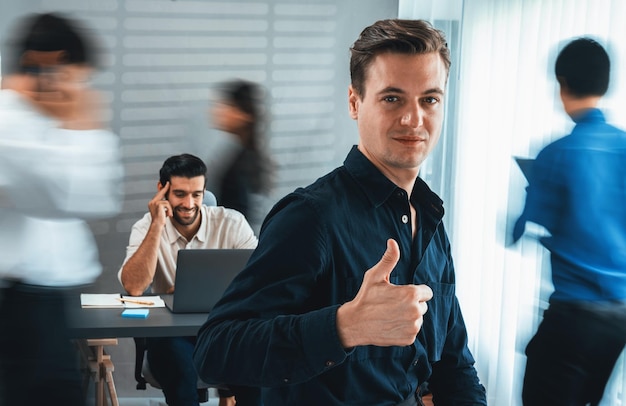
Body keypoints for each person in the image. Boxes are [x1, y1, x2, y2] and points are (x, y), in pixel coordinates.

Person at [193, 19, 487, 406]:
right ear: (354, 102)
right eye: (392, 98)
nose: (414, 119)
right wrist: (346, 326)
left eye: (429, 99)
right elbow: (216, 350)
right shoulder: (311, 216)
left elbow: (455, 365)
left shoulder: (430, 220)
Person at [0, 12, 124, 406]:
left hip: (48, 304)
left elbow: (101, 195)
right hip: (20, 304)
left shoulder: (46, 121)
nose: (84, 88)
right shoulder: (10, 117)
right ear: (49, 62)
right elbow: (68, 196)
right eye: (79, 74)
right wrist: (82, 122)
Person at [512, 37, 626, 405]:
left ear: (562, 84)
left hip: (574, 317)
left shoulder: (555, 155)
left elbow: (520, 228)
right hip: (619, 319)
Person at [118, 153, 258, 406]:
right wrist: (158, 225)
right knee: (181, 381)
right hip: (173, 336)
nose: (190, 203)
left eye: (197, 194)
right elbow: (134, 286)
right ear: (162, 191)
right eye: (180, 194)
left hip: (225, 329)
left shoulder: (232, 223)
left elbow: (259, 279)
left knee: (257, 381)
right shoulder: (146, 227)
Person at [209, 79, 274, 225]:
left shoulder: (244, 164)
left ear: (243, 115)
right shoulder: (241, 155)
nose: (217, 110)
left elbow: (241, 222)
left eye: (226, 105)